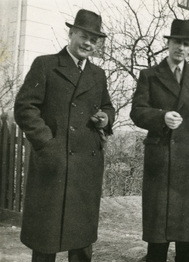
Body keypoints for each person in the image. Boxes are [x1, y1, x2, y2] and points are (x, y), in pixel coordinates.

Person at [14, 9, 115, 262]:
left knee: (80, 240)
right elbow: (25, 107)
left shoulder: (98, 74)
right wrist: (47, 143)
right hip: (54, 164)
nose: (88, 44)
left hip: (85, 168)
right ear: (71, 34)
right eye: (84, 36)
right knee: (46, 239)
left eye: (94, 40)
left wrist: (105, 117)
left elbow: (108, 107)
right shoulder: (46, 65)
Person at [130, 19, 189, 262]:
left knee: (185, 238)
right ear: (168, 43)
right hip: (161, 160)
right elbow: (136, 111)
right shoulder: (149, 75)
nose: (181, 47)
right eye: (177, 42)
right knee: (157, 238)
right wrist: (161, 117)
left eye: (186, 43)